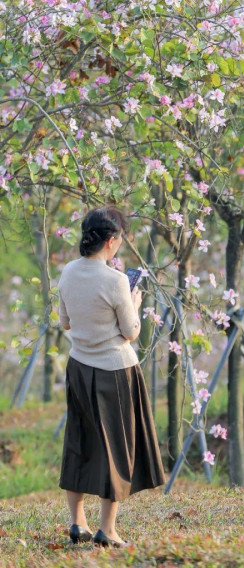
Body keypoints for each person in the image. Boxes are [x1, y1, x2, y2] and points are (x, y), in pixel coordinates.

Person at [58, 206, 165, 547]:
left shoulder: (67, 272)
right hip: (115, 371)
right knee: (117, 448)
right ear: (112, 241)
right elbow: (131, 331)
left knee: (79, 442)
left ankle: (77, 523)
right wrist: (133, 301)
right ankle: (108, 529)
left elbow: (66, 323)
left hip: (78, 366)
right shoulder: (117, 280)